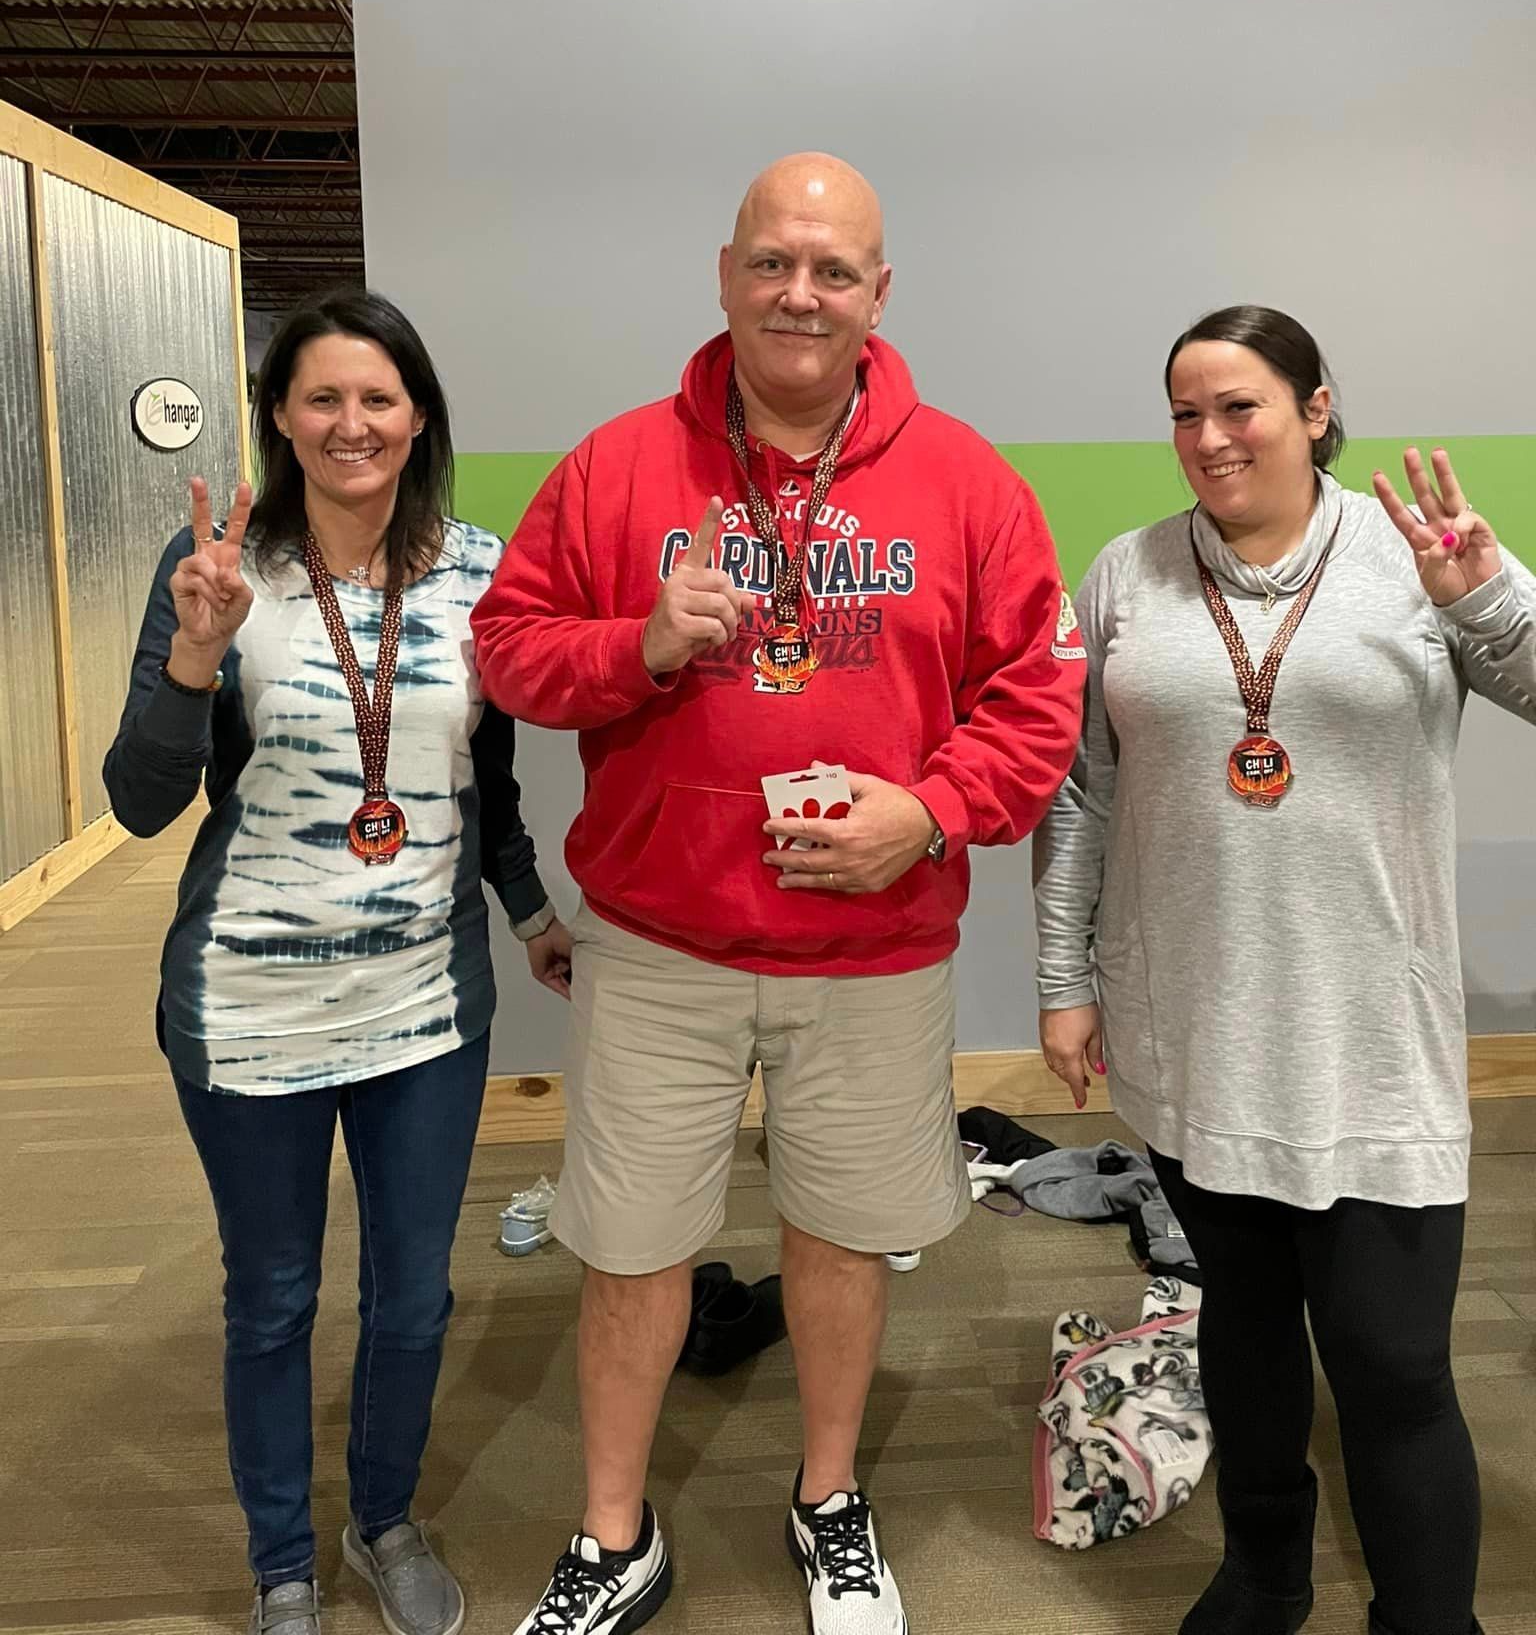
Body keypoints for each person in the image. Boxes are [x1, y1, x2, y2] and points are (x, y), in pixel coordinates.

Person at [472, 152, 1085, 1635]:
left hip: (871, 952)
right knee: (630, 1248)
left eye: (832, 268)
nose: (799, 292)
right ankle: (614, 1537)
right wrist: (637, 645)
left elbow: (1038, 699)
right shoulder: (620, 467)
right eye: (773, 262)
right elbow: (508, 647)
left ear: (880, 293)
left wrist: (929, 815)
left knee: (841, 1237)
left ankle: (828, 1500)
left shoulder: (969, 482)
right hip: (659, 944)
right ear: (726, 272)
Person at [1034, 304, 1536, 1635]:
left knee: (1393, 1364)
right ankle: (1263, 1576)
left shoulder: (1413, 553)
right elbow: (1081, 792)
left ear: (1315, 408)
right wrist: (1062, 977)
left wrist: (1484, 596)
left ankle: (1428, 1617)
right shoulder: (1128, 573)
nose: (1209, 438)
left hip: (1372, 1027)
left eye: (1240, 406)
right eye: (1186, 412)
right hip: (1191, 1020)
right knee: (1244, 1331)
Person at [105, 290, 570, 1635]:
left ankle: (381, 1519)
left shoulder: (479, 570)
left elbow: (484, 771)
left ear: (417, 416)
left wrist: (531, 905)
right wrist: (194, 655)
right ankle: (281, 1568)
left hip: (426, 1003)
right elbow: (140, 800)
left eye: (378, 398)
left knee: (415, 1300)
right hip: (248, 1001)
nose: (351, 423)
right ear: (281, 419)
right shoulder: (218, 568)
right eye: (322, 398)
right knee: (274, 1299)